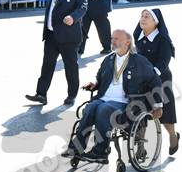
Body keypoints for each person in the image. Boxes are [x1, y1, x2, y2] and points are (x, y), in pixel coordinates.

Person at [61, 29, 163, 163]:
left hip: (127, 104)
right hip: (104, 98)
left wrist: (158, 105)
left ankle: (100, 152)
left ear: (127, 42)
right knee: (91, 107)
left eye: (116, 39)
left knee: (103, 109)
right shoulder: (108, 59)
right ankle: (76, 148)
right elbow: (100, 77)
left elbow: (155, 81)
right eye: (112, 38)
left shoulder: (139, 61)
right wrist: (95, 84)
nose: (113, 41)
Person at [26, 0, 87, 106]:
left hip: (68, 37)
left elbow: (83, 7)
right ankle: (41, 94)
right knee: (47, 65)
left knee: (70, 67)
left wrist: (73, 17)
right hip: (51, 35)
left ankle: (71, 95)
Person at [134, 9, 180, 155]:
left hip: (161, 79)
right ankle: (140, 147)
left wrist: (152, 74)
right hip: (143, 80)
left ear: (156, 22)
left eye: (147, 17)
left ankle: (173, 135)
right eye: (142, 16)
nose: (143, 19)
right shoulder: (137, 34)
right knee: (140, 112)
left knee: (165, 116)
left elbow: (164, 61)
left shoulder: (163, 39)